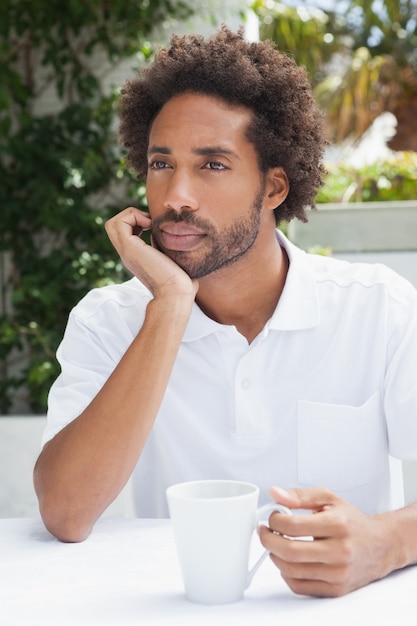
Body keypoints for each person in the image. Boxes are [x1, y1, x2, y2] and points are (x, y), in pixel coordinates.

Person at [34, 25, 417, 598]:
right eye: (161, 164)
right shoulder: (107, 320)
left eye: (212, 165)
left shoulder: (379, 310)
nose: (176, 195)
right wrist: (169, 306)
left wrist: (385, 543)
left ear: (274, 188)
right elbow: (66, 512)